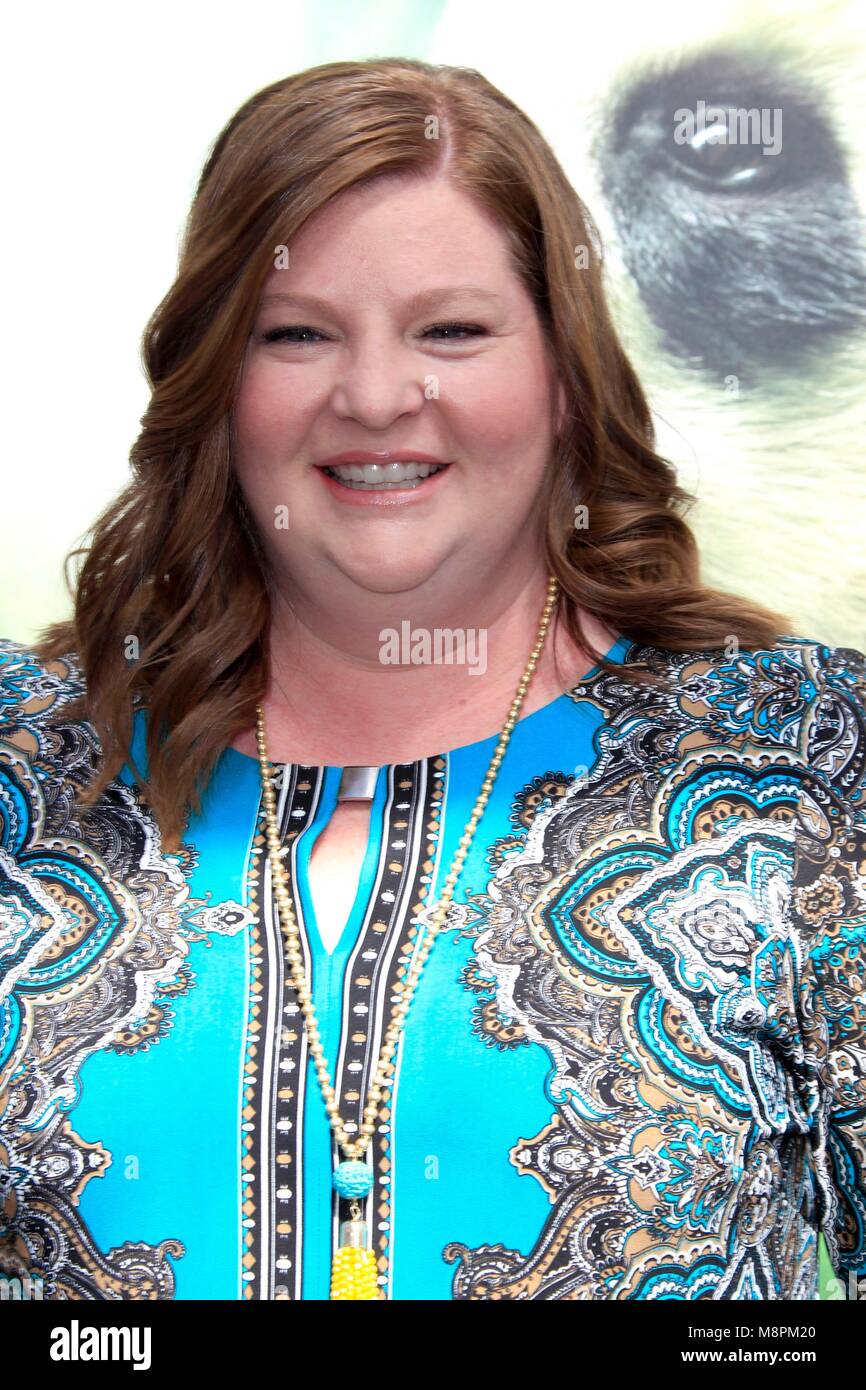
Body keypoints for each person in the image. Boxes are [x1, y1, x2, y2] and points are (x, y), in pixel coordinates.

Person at [1, 56, 863, 1303]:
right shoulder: (25, 773)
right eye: (294, 335)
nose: (374, 397)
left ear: (564, 372)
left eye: (450, 330)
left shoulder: (806, 763)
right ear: (213, 381)